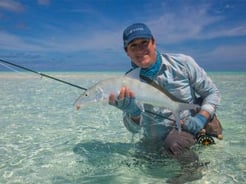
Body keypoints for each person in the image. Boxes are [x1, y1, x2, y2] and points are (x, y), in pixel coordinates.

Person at [108, 23, 221, 167]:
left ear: (153, 42)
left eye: (144, 42)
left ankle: (193, 172)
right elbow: (134, 130)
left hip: (186, 130)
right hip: (153, 141)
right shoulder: (126, 82)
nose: (140, 50)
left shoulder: (183, 63)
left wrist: (200, 118)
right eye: (133, 46)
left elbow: (212, 92)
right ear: (127, 51)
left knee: (173, 143)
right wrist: (133, 113)